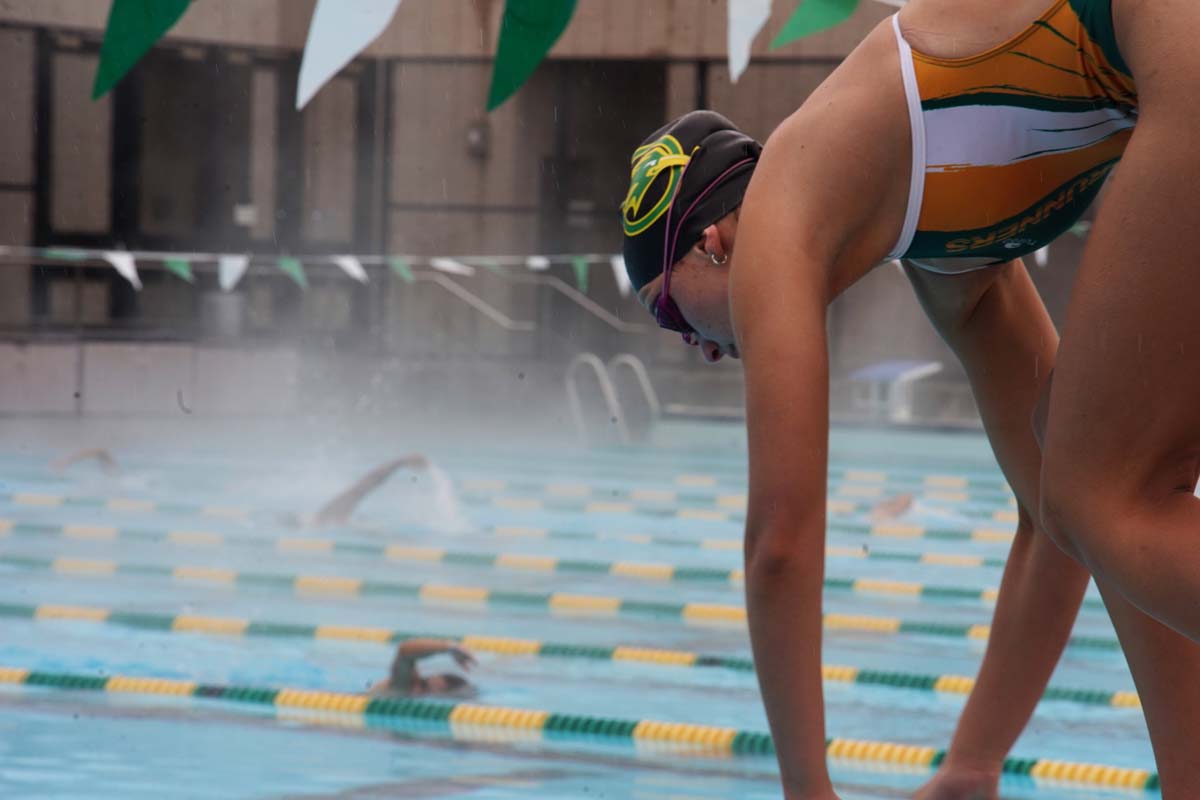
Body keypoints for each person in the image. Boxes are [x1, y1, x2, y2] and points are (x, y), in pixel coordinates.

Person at [616, 1, 1200, 796]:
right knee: (1093, 490)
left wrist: (806, 791)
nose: (702, 347)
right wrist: (973, 764)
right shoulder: (941, 248)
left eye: (670, 313)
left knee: (1104, 496)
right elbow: (1052, 522)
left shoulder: (783, 206)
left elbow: (779, 546)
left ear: (710, 242)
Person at [281, 455, 431, 529]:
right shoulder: (329, 514)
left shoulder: (327, 514)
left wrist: (400, 463)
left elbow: (366, 484)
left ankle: (400, 461)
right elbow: (366, 484)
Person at [369, 639, 477, 698]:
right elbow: (404, 651)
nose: (415, 684)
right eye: (423, 682)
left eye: (424, 686)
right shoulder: (402, 687)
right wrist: (450, 648)